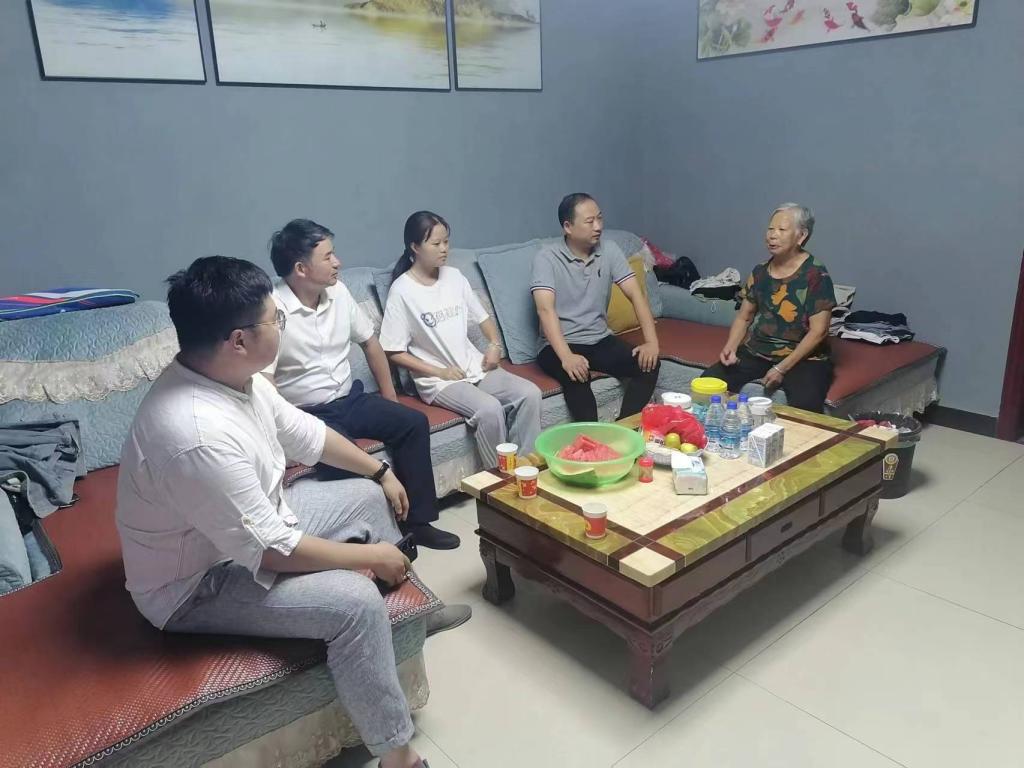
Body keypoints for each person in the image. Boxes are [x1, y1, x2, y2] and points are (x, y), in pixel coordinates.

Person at [116, 256, 465, 768]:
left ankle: (401, 625)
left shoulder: (238, 378)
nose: (282, 324)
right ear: (239, 340)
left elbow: (309, 435)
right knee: (353, 602)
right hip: (195, 584)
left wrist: (380, 472)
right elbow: (272, 551)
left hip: (251, 528)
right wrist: (371, 556)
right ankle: (398, 756)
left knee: (366, 497)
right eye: (275, 318)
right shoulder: (194, 433)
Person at [265, 219, 459, 551]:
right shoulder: (272, 309)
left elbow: (370, 343)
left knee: (412, 422)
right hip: (307, 413)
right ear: (300, 268)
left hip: (350, 399)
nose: (337, 262)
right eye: (328, 257)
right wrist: (282, 438)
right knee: (344, 454)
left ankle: (419, 522)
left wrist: (390, 399)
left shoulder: (338, 292)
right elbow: (264, 382)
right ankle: (378, 536)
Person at [379, 212, 542, 468]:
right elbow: (392, 351)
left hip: (474, 366)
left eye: (446, 241)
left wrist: (494, 345)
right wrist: (440, 372)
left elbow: (483, 318)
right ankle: (499, 479)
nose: (444, 249)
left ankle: (528, 469)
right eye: (436, 243)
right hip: (439, 381)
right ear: (415, 247)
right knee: (489, 410)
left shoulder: (454, 276)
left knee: (530, 394)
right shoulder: (402, 291)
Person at [531, 193, 660, 422]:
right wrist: (567, 357)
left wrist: (651, 343)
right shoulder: (547, 258)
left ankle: (623, 430)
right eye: (590, 221)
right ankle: (592, 439)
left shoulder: (609, 250)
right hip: (558, 344)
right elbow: (545, 310)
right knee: (577, 378)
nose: (598, 227)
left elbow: (636, 294)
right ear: (568, 227)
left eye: (599, 218)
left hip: (599, 339)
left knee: (649, 365)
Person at [702, 203, 837, 412]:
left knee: (806, 405)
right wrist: (731, 347)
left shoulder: (816, 274)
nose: (772, 235)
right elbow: (744, 317)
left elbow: (819, 331)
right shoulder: (760, 272)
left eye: (781, 230)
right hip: (759, 350)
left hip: (805, 358)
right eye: (770, 229)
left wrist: (781, 368)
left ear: (801, 236)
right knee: (707, 384)